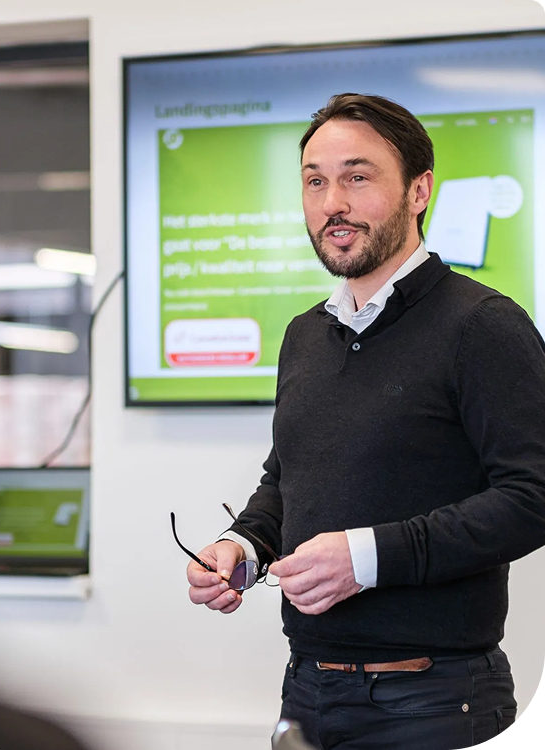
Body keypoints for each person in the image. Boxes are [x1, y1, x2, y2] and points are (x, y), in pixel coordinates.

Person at [186, 93, 545, 749]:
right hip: (306, 690)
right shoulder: (304, 336)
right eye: (315, 182)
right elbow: (287, 480)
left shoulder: (483, 326)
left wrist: (368, 558)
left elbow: (533, 496)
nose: (333, 204)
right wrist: (243, 546)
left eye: (357, 177)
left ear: (419, 191)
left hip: (434, 702)